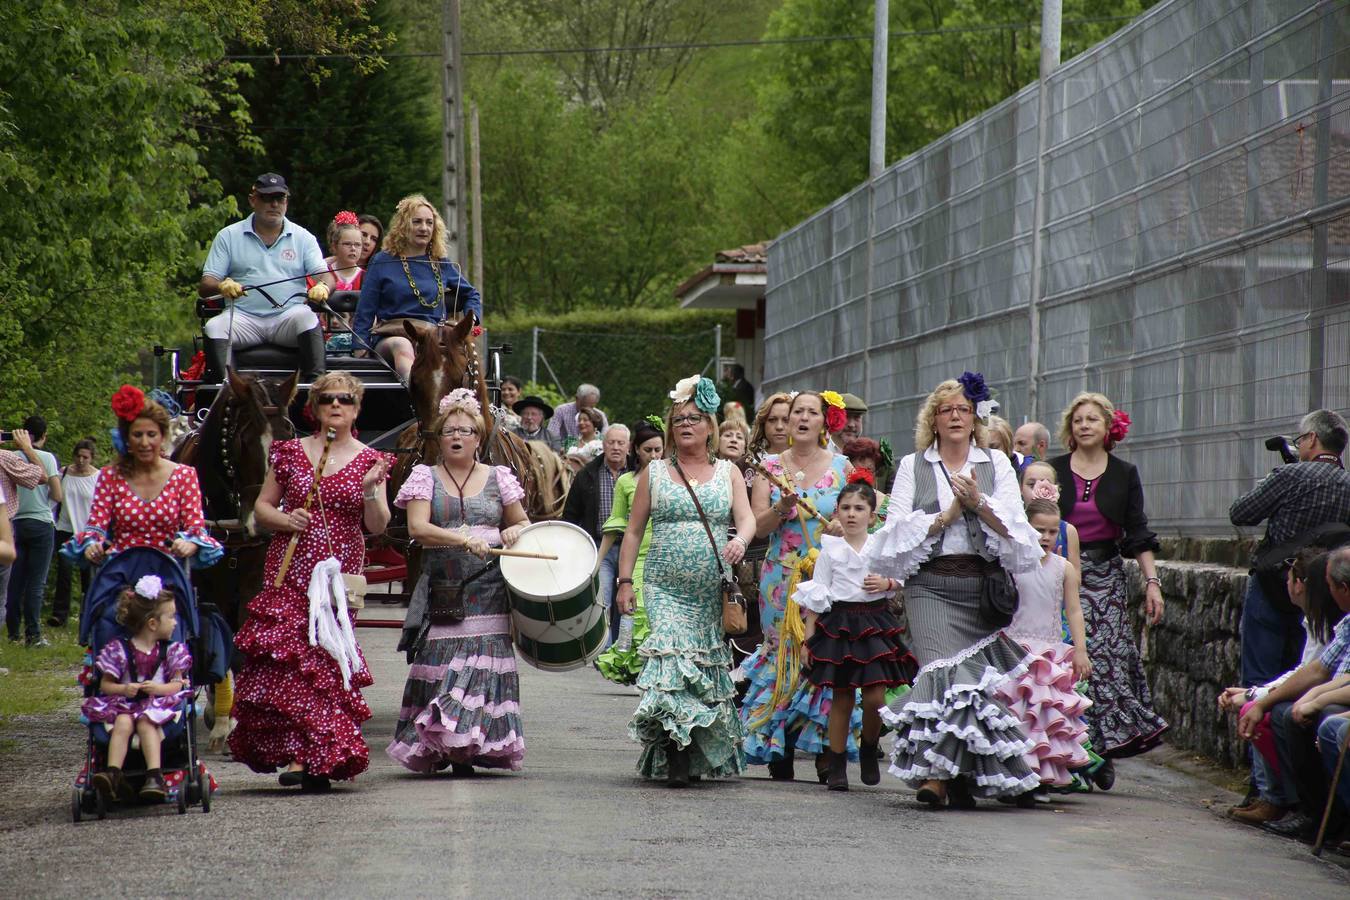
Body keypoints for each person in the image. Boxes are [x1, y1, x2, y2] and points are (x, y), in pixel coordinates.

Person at [866, 374, 1044, 808]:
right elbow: (895, 531)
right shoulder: (914, 465)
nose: (955, 417)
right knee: (941, 674)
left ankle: (957, 776)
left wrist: (978, 503)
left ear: (975, 417)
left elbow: (1018, 534)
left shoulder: (996, 463)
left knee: (968, 689)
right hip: (929, 586)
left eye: (963, 409)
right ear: (934, 419)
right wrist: (946, 515)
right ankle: (939, 778)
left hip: (978, 588)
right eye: (946, 410)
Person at [228, 373, 392, 791]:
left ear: (356, 409)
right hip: (290, 565)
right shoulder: (289, 453)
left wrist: (371, 490)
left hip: (338, 576)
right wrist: (287, 518)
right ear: (314, 409)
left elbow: (376, 526)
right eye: (327, 400)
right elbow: (262, 507)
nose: (336, 406)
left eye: (345, 400)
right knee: (291, 658)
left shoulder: (371, 461)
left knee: (324, 660)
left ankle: (319, 754)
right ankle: (300, 753)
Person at [616, 375, 755, 786]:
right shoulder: (654, 472)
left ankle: (694, 750)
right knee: (674, 661)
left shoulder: (728, 471)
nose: (685, 425)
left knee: (704, 669)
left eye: (694, 418)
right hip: (663, 586)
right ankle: (676, 755)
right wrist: (626, 582)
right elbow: (634, 531)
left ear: (710, 426)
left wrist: (741, 541)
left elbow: (745, 519)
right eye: (678, 420)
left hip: (712, 588)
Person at [388, 389, 530, 773]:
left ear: (478, 439)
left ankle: (469, 747)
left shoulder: (500, 477)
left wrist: (516, 532)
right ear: (439, 437)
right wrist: (464, 538)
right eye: (449, 430)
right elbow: (419, 527)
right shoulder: (424, 476)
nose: (456, 436)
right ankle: (445, 745)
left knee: (483, 663)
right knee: (445, 663)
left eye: (464, 430)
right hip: (444, 585)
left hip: (490, 588)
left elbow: (520, 522)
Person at [1048, 392, 1167, 789]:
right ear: (1070, 427)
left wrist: (1152, 582)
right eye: (1078, 419)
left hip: (1106, 576)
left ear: (1107, 428)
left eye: (1092, 420)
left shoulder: (1124, 473)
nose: (1084, 425)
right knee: (1065, 659)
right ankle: (1072, 747)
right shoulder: (1054, 471)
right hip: (1057, 571)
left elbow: (1138, 531)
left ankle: (1098, 749)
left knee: (1101, 659)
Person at [740, 390, 855, 781]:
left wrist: (844, 526)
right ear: (786, 422)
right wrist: (780, 509)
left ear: (825, 421)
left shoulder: (841, 467)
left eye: (812, 412)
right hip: (781, 578)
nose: (803, 418)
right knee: (784, 651)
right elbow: (756, 526)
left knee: (822, 652)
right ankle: (779, 744)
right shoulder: (769, 467)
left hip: (828, 576)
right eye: (796, 413)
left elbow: (859, 519)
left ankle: (825, 747)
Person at [796, 477, 912, 791]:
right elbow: (816, 597)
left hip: (874, 622)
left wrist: (887, 585)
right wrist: (808, 640)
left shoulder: (880, 545)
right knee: (842, 697)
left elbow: (902, 575)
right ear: (836, 513)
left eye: (859, 508)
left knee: (875, 696)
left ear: (872, 516)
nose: (851, 514)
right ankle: (836, 764)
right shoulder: (829, 549)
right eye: (845, 508)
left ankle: (868, 748)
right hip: (839, 624)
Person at [1220, 549, 1342, 826]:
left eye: (1288, 579)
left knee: (1279, 715)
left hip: (1327, 696)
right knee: (1261, 708)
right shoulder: (1315, 620)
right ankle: (1276, 799)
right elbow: (1307, 670)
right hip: (1320, 691)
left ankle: (1290, 802)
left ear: (1299, 584)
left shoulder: (1330, 623)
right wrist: (1255, 694)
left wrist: (1257, 696)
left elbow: (1318, 674)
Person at [1230, 409, 1350, 688]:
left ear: (1311, 438)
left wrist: (1274, 481)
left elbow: (1241, 513)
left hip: (1272, 585)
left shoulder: (1289, 475)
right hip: (1325, 594)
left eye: (1299, 439)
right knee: (1306, 675)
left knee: (1258, 677)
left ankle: (1254, 721)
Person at [994, 498, 1094, 792]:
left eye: (1052, 531)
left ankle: (1039, 778)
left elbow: (1074, 610)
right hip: (1014, 648)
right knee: (1016, 714)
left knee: (1043, 718)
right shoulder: (1011, 562)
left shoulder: (1064, 568)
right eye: (1039, 530)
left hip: (1049, 651)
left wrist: (1080, 649)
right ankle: (1011, 774)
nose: (1046, 537)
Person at [199, 173, 334, 383]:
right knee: (214, 327)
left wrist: (324, 286)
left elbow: (325, 275)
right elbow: (206, 284)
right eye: (267, 198)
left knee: (308, 317)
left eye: (280, 199)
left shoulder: (303, 237)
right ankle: (225, 395)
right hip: (243, 317)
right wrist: (222, 285)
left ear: (286, 202)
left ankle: (316, 392)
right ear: (253, 200)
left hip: (287, 317)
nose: (274, 204)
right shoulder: (228, 235)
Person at [83, 575, 192, 803]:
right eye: (171, 617)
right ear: (153, 623)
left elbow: (178, 684)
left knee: (146, 721)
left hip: (156, 705)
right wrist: (124, 688)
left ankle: (154, 776)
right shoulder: (119, 649)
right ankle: (112, 773)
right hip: (125, 704)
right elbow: (104, 684)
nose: (175, 622)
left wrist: (158, 688)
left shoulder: (171, 651)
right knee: (123, 721)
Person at [352, 194, 482, 382]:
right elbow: (366, 308)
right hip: (392, 336)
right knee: (403, 347)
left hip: (433, 338)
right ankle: (414, 399)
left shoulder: (440, 262)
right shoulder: (382, 260)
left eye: (429, 223)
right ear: (404, 225)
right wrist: (360, 347)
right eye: (417, 222)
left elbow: (471, 294)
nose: (424, 228)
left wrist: (472, 319)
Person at [595, 419, 665, 685]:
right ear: (636, 450)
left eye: (658, 449)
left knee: (657, 616)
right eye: (648, 450)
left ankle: (654, 670)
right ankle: (629, 667)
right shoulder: (626, 481)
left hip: (664, 554)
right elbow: (615, 524)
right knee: (635, 612)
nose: (654, 455)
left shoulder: (673, 478)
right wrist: (597, 562)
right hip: (635, 557)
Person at [564, 424, 631, 645]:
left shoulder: (637, 473)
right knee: (602, 601)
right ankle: (603, 651)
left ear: (628, 446)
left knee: (628, 601)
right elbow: (571, 514)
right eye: (611, 442)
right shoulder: (587, 474)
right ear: (603, 444)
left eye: (621, 443)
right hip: (600, 547)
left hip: (631, 548)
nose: (616, 447)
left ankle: (624, 649)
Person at [5, 418, 62, 645]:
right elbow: (57, 495)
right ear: (44, 435)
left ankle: (12, 632)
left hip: (14, 522)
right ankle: (33, 634)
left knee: (14, 581)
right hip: (41, 521)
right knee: (36, 582)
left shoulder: (9, 457)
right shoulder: (47, 459)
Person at [50, 438, 98, 628]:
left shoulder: (98, 477)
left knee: (88, 575)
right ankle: (59, 615)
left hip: (87, 532)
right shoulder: (64, 474)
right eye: (78, 456)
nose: (80, 460)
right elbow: (53, 498)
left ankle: (88, 614)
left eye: (85, 457)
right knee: (64, 573)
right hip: (65, 528)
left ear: (91, 458)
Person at [1019, 461, 1081, 572]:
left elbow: (1076, 581)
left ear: (1057, 489)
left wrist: (1062, 570)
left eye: (1046, 485)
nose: (1038, 489)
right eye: (1031, 485)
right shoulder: (1013, 527)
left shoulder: (1067, 531)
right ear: (1020, 489)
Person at [318, 212, 365, 291]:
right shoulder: (322, 273)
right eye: (347, 244)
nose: (353, 248)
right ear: (334, 246)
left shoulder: (366, 277)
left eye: (357, 245)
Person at [748, 392, 793, 460]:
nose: (779, 427)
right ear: (763, 424)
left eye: (786, 420)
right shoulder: (745, 464)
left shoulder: (809, 462)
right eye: (772, 420)